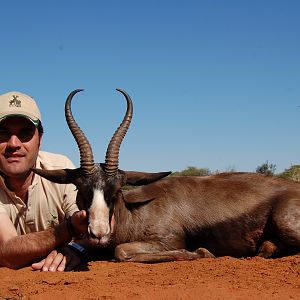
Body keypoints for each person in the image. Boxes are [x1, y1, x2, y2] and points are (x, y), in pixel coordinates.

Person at [0, 91, 88, 271]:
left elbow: (86, 226)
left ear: (39, 139)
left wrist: (75, 248)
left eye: (25, 133)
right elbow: (8, 253)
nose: (13, 143)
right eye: (3, 133)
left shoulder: (61, 168)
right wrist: (69, 230)